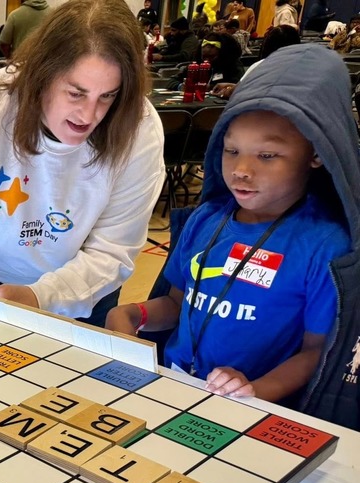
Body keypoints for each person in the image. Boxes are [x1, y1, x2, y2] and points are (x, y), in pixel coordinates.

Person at [107, 46, 353, 406]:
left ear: (317, 153)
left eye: (267, 156)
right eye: (231, 150)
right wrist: (133, 313)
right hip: (174, 387)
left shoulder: (324, 245)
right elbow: (178, 304)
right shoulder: (207, 219)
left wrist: (253, 391)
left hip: (247, 408)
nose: (242, 170)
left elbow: (317, 352)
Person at [0, 0, 165, 327]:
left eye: (107, 96)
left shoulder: (139, 130)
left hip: (83, 288)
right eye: (75, 93)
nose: (89, 115)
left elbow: (111, 251)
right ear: (42, 75)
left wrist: (39, 296)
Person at [212, 24, 299, 98]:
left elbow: (238, 92)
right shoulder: (303, 68)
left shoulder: (261, 66)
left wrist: (226, 91)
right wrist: (232, 86)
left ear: (266, 44)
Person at [166, 33, 244, 90]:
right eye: (204, 57)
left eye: (211, 57)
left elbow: (238, 88)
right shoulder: (197, 64)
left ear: (222, 53)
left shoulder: (234, 66)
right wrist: (181, 86)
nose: (206, 61)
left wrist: (210, 87)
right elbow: (172, 80)